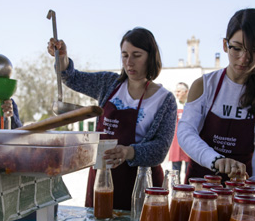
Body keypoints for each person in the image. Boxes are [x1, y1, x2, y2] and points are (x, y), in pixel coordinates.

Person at [47, 27, 177, 210]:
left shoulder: (165, 100)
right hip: (102, 177)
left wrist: (128, 152)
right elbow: (73, 78)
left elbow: (160, 149)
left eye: (136, 55)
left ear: (150, 56)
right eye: (124, 55)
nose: (129, 62)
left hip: (140, 184)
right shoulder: (109, 83)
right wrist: (62, 58)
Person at [178, 8, 255, 184]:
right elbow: (186, 132)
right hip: (200, 184)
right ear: (225, 45)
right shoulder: (204, 85)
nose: (244, 58)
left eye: (254, 50)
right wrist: (216, 160)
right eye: (237, 48)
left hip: (242, 187)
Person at [168, 82, 190, 179]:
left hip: (189, 141)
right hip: (175, 141)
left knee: (189, 170)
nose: (177, 93)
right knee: (175, 171)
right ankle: (175, 190)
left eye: (179, 91)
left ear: (186, 92)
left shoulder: (191, 105)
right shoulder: (173, 105)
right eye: (176, 91)